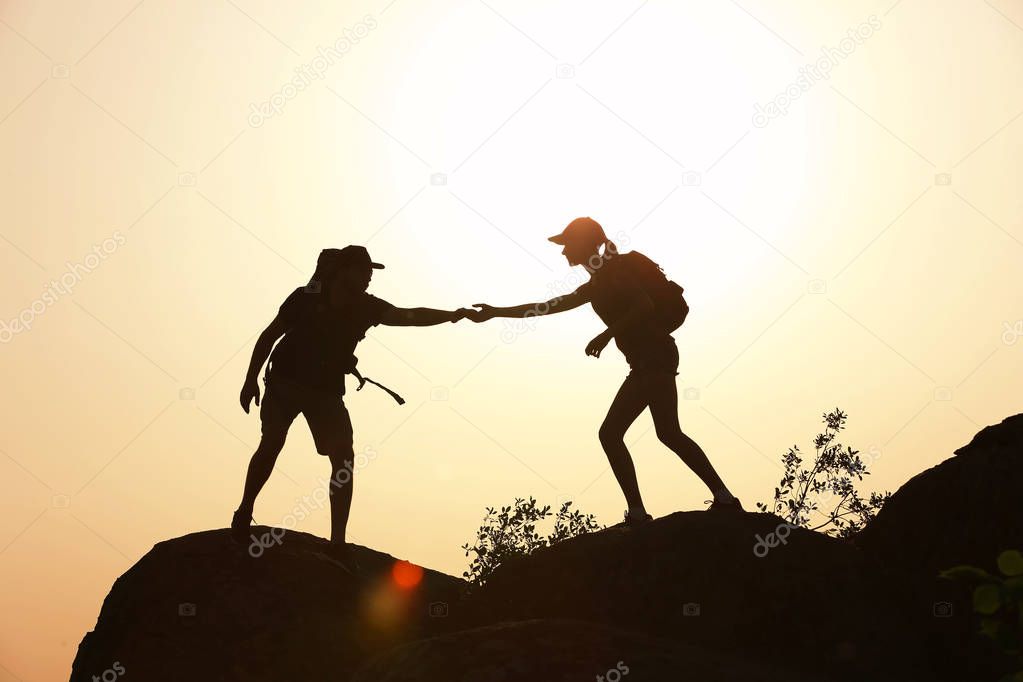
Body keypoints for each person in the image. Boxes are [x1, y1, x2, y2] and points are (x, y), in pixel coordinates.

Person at [469, 217, 741, 525]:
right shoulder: (596, 284)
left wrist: (606, 334)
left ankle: (694, 504)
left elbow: (643, 306)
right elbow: (546, 306)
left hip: (655, 357)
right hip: (646, 361)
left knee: (638, 433)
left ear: (585, 244)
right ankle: (705, 502)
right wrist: (495, 313)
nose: (562, 253)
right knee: (650, 433)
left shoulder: (616, 273)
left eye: (567, 245)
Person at [233, 245, 469, 562]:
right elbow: (270, 335)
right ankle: (245, 510)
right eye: (364, 271)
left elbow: (408, 316)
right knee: (272, 441)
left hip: (325, 392)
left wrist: (453, 316)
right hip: (284, 383)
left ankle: (338, 543)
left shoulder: (366, 307)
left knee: (343, 458)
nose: (369, 277)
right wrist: (250, 379)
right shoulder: (304, 298)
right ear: (343, 271)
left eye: (371, 272)